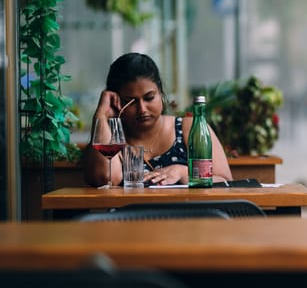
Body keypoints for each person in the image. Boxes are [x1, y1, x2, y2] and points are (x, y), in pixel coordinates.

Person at [83, 52, 233, 187]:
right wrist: (101, 115)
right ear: (116, 101)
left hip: (188, 216)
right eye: (130, 101)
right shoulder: (113, 137)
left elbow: (225, 180)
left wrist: (183, 172)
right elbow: (105, 178)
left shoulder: (189, 128)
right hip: (129, 217)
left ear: (160, 93)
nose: (142, 109)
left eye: (149, 98)